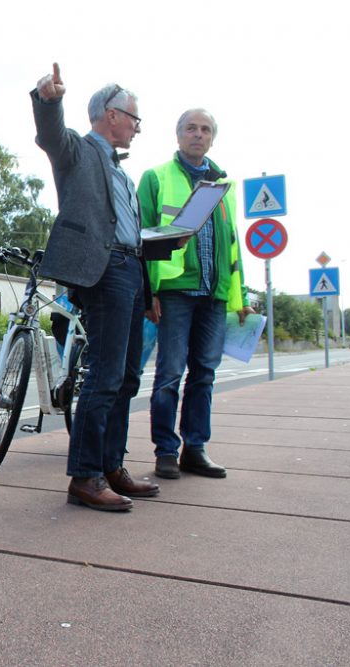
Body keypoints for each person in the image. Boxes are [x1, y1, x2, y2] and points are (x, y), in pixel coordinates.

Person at [31, 63, 166, 512]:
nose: (137, 128)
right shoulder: (78, 151)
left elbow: (132, 236)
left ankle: (111, 466)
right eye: (134, 118)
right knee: (105, 377)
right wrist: (48, 100)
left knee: (127, 377)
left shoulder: (124, 174)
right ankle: (84, 476)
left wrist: (148, 294)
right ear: (111, 114)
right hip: (103, 272)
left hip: (130, 273)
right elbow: (51, 135)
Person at [138, 109, 254, 480]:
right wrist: (148, 291)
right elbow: (140, 238)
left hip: (215, 294)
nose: (198, 134)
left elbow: (233, 246)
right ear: (178, 135)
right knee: (170, 373)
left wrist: (239, 297)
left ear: (212, 139)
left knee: (205, 373)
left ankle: (196, 449)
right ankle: (166, 452)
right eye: (191, 128)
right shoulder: (156, 177)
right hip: (174, 291)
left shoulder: (224, 186)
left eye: (205, 130)